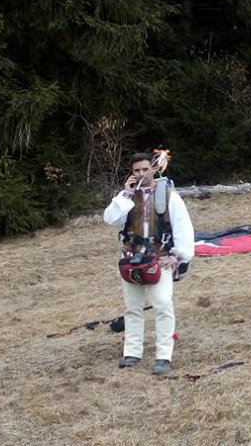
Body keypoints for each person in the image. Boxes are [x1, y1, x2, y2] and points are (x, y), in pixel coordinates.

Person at [103, 152, 194, 375]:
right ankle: (132, 352)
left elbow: (183, 226)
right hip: (132, 260)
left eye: (145, 169)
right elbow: (110, 219)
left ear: (153, 169)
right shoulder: (127, 197)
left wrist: (177, 256)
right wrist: (126, 194)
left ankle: (163, 356)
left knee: (163, 304)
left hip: (159, 259)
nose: (141, 174)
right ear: (132, 172)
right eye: (137, 170)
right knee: (132, 307)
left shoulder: (169, 196)